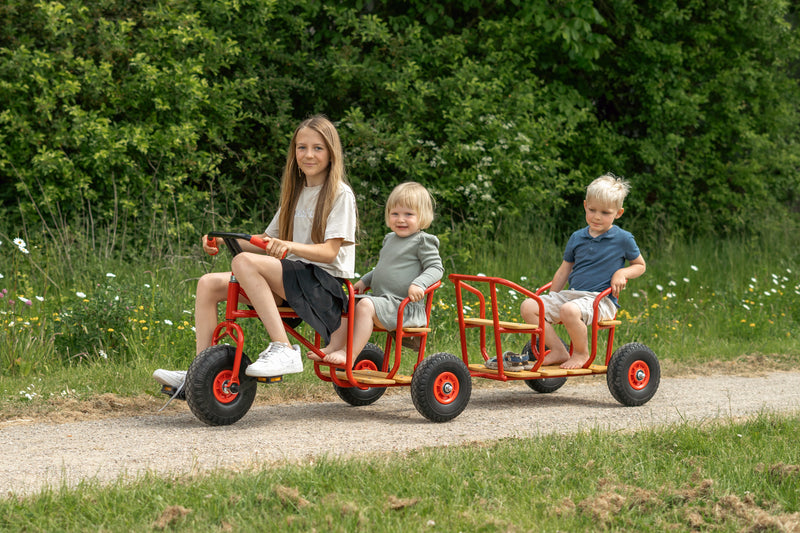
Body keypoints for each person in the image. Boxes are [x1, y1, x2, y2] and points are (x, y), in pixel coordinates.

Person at [153, 115, 357, 390]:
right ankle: (200, 372)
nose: (308, 155)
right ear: (294, 152)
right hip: (295, 281)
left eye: (317, 148)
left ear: (331, 153)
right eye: (301, 147)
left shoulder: (339, 194)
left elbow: (331, 252)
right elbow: (267, 241)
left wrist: (289, 246)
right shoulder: (295, 194)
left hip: (324, 285)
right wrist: (223, 240)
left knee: (244, 262)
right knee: (208, 284)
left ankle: (283, 348)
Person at [517, 173, 646, 370]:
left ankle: (581, 353)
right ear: (585, 205)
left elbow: (640, 265)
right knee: (529, 306)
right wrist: (552, 298)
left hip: (601, 301)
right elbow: (564, 270)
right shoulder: (577, 237)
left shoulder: (623, 238)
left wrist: (622, 273)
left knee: (568, 310)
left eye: (605, 212)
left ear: (618, 213)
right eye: (592, 210)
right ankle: (559, 349)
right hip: (573, 296)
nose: (596, 216)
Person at [311, 182, 443, 365]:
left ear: (423, 217)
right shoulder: (390, 239)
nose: (400, 219)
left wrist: (419, 284)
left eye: (408, 214)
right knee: (345, 302)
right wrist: (364, 282)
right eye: (395, 213)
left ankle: (349, 353)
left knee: (365, 305)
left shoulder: (423, 241)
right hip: (383, 301)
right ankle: (335, 345)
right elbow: (382, 268)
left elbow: (436, 268)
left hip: (403, 306)